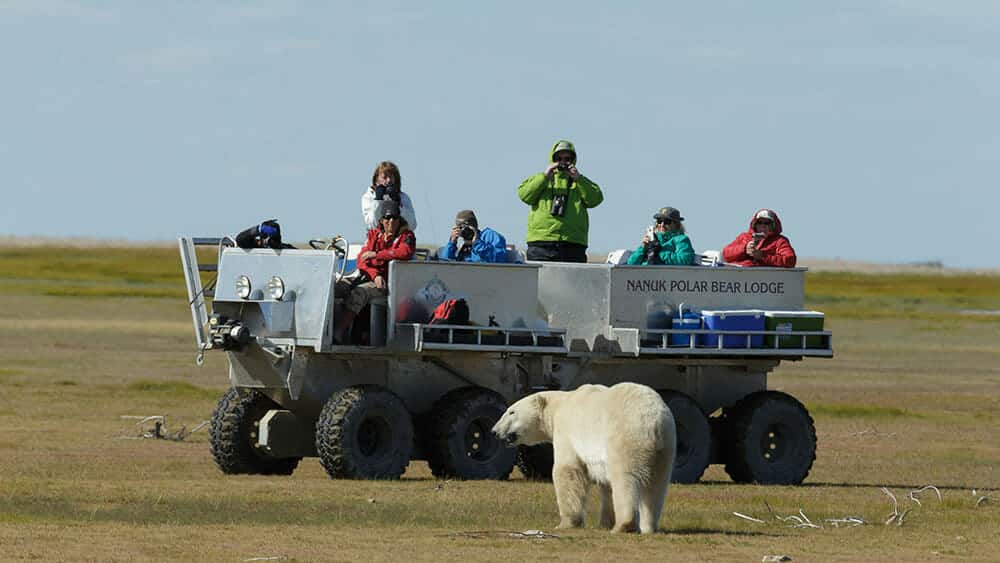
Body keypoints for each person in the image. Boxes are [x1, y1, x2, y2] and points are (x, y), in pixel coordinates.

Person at [333, 200, 416, 343]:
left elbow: (404, 252)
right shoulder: (374, 235)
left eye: (395, 217)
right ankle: (323, 329)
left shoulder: (406, 236)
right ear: (382, 220)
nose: (391, 222)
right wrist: (374, 274)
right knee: (334, 287)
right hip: (369, 277)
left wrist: (377, 255)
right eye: (388, 218)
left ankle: (338, 332)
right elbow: (361, 260)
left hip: (388, 284)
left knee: (360, 292)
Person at [517, 140, 603, 262]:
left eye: (567, 158)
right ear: (553, 159)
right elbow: (524, 195)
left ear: (573, 160)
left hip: (573, 243)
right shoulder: (542, 179)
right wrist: (545, 176)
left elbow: (595, 199)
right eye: (559, 158)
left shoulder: (579, 182)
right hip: (541, 243)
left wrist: (579, 179)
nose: (563, 162)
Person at [722, 208, 797, 267]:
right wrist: (744, 249)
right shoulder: (744, 237)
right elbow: (726, 253)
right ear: (755, 224)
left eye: (767, 223)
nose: (762, 225)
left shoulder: (780, 241)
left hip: (766, 280)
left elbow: (790, 260)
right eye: (759, 222)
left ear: (773, 226)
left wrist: (763, 256)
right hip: (740, 277)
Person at [626, 206, 696, 265]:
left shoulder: (681, 239)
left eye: (667, 221)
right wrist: (643, 248)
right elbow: (631, 264)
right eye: (659, 221)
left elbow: (685, 260)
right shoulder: (652, 239)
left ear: (676, 224)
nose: (662, 224)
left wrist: (660, 252)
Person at [361, 161, 418, 231]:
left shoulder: (403, 197)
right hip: (378, 239)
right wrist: (378, 201)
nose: (388, 180)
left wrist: (397, 203)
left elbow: (412, 225)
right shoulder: (368, 197)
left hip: (399, 239)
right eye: (384, 177)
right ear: (376, 179)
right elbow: (373, 224)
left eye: (391, 177)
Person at [440, 210, 508, 263]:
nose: (464, 231)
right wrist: (452, 243)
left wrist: (477, 243)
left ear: (474, 226)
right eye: (460, 228)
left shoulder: (489, 236)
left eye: (466, 227)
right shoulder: (464, 247)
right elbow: (445, 265)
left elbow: (498, 260)